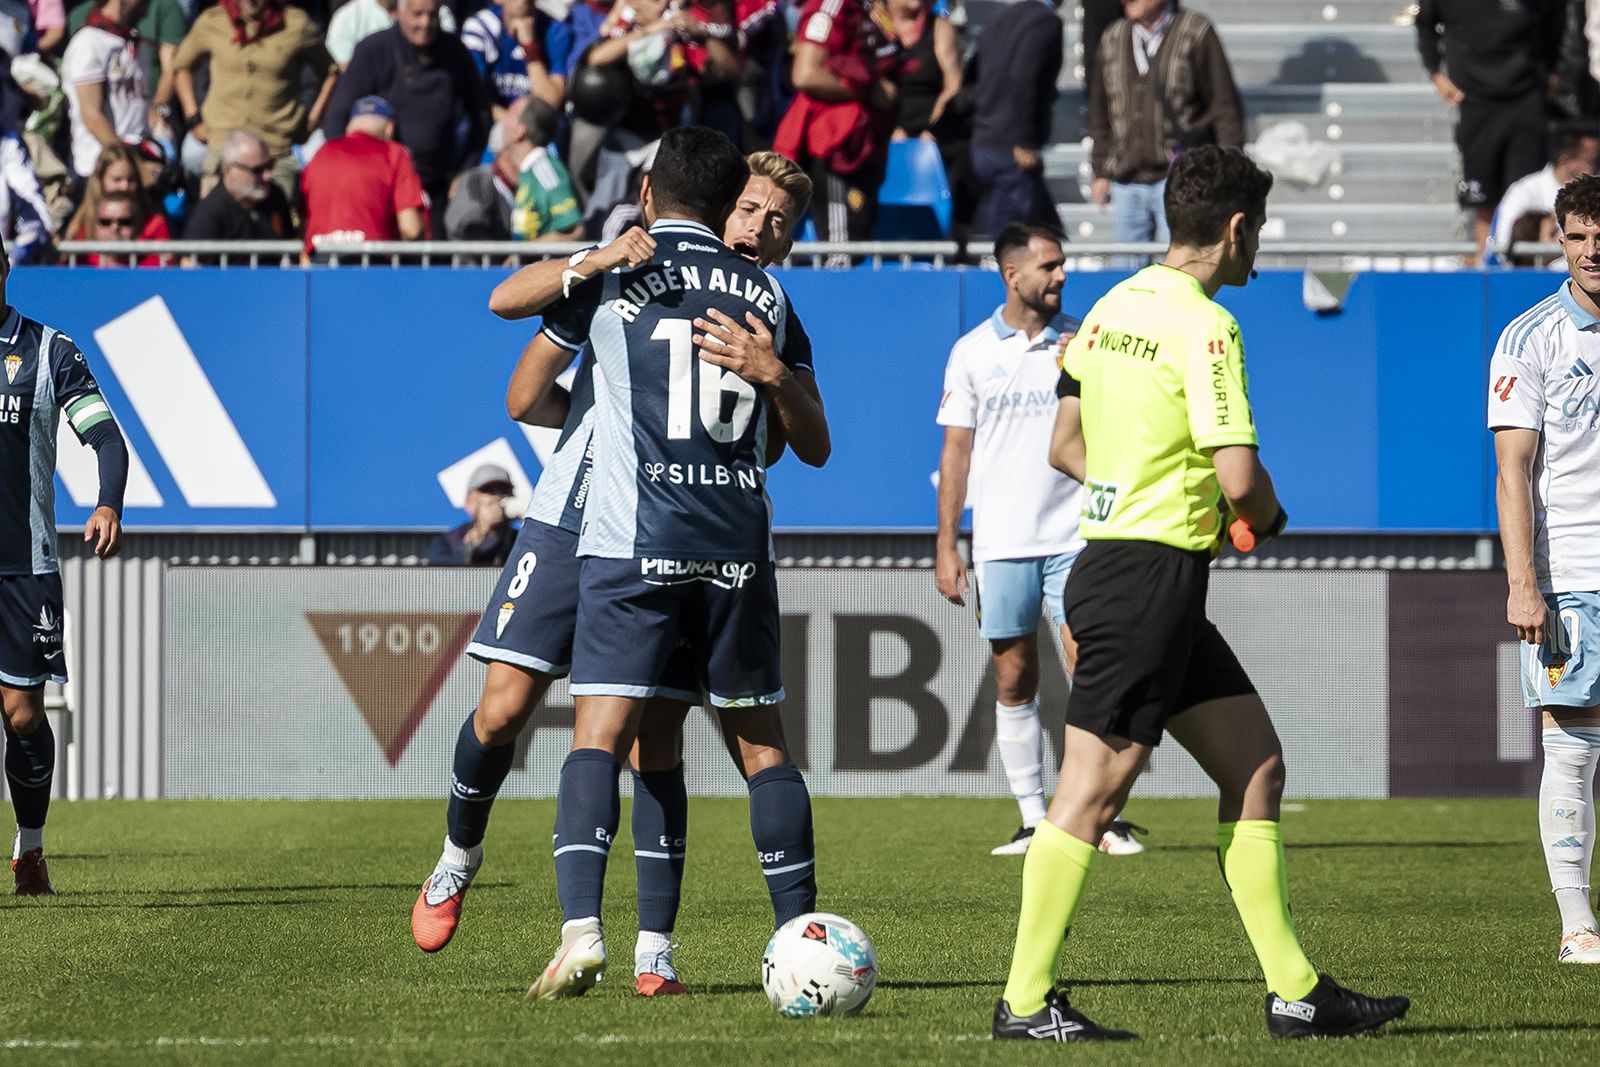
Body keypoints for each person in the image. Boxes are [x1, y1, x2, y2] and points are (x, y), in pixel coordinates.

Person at [991, 146, 1411, 1041]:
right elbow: (1242, 478)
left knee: (1255, 766)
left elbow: (1065, 443)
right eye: (1260, 229)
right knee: (1090, 797)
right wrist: (1266, 513)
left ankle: (1296, 991)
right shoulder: (1207, 326)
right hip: (1145, 579)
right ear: (1236, 227)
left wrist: (1154, 482)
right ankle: (1024, 1003)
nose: (1260, 245)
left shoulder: (1107, 309)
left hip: (1140, 574)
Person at [411, 147, 829, 1003]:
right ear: (722, 210)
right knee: (503, 710)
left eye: (778, 223)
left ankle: (652, 950)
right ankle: (459, 853)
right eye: (751, 210)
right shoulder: (624, 260)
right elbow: (526, 395)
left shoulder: (764, 313)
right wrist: (607, 401)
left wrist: (758, 388)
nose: (760, 230)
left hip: (652, 525)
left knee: (655, 738)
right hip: (574, 516)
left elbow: (786, 442)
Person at [935, 222, 1143, 858]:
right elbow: (957, 451)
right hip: (1001, 544)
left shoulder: (1086, 342)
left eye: (1063, 265)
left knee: (1094, 670)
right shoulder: (972, 351)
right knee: (1014, 679)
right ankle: (1032, 821)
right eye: (1049, 266)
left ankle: (1099, 818)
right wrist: (948, 544)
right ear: (1012, 275)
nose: (1061, 276)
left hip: (1078, 537)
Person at [1490, 172, 1600, 966]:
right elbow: (1513, 473)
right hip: (1574, 576)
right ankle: (1577, 925)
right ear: (1558, 239)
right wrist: (1522, 581)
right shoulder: (1530, 339)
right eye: (1581, 236)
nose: (1595, 252)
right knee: (1573, 749)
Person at [0, 237, 127, 895]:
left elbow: (105, 434)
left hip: (25, 564)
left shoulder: (49, 349)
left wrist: (108, 501)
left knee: (22, 714)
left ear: (3, 269)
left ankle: (31, 847)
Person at [324, 0, 490, 236]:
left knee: (435, 265)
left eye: (432, 15)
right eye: (417, 14)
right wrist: (355, 174)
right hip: (381, 190)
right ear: (398, 12)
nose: (425, 23)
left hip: (436, 186)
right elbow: (336, 119)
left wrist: (464, 169)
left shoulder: (454, 51)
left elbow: (481, 114)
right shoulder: (373, 50)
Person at [1088, 0, 1244, 250]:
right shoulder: (1112, 37)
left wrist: (1229, 172)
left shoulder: (1197, 31)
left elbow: (1224, 107)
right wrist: (1100, 170)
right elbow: (1100, 111)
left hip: (1180, 180)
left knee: (1178, 267)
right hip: (1127, 181)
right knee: (1128, 275)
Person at [1417, 0, 1565, 262]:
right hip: (1475, 101)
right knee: (1482, 204)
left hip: (1526, 98)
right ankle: (1485, 274)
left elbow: (1555, 19)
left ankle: (1530, 280)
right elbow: (1425, 25)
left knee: (1526, 201)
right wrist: (1436, 74)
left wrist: (1552, 69)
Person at [172, 0, 335, 199]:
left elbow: (331, 70)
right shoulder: (213, 20)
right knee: (217, 218)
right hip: (222, 145)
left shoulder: (295, 24)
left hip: (274, 149)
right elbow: (181, 66)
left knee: (277, 223)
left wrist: (314, 118)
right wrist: (193, 118)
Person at [774, 0, 899, 247]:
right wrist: (865, 90)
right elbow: (805, 74)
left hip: (865, 143)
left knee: (858, 240)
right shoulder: (831, 5)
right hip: (835, 143)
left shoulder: (868, 8)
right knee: (842, 250)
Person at [967, 0, 1062, 235]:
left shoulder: (1001, 19)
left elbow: (972, 74)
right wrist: (1026, 141)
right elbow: (1024, 76)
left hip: (985, 139)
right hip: (1012, 149)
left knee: (1048, 228)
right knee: (1012, 238)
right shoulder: (1045, 21)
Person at [300, 94, 425, 256]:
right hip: (370, 264)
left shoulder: (320, 155)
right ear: (390, 128)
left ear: (349, 127)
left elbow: (304, 220)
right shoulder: (394, 154)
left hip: (321, 262)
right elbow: (411, 229)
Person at [60, 0, 149, 183]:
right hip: (99, 169)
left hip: (136, 163)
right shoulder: (89, 42)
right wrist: (134, 166)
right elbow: (92, 116)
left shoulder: (136, 43)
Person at [1491, 123, 1600, 260]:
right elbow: (1503, 247)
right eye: (1595, 161)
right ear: (1566, 162)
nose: (1598, 168)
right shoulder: (1524, 192)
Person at [181, 129, 294, 245]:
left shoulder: (275, 196)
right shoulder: (210, 213)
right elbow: (190, 260)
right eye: (257, 170)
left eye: (269, 166)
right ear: (228, 170)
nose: (267, 176)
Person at [460, 0, 566, 113]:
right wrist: (508, 122)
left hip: (539, 124)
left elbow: (551, 103)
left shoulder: (555, 30)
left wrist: (529, 47)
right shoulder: (481, 27)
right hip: (495, 121)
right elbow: (473, 95)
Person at [886, 0, 959, 143]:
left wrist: (934, 129)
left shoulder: (938, 27)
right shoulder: (875, 24)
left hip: (931, 129)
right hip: (888, 127)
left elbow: (953, 84)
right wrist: (888, 128)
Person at [426, 463, 516, 566]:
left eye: (502, 490)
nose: (496, 497)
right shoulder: (449, 542)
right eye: (488, 490)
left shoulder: (521, 541)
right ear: (469, 502)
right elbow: (441, 575)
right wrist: (474, 543)